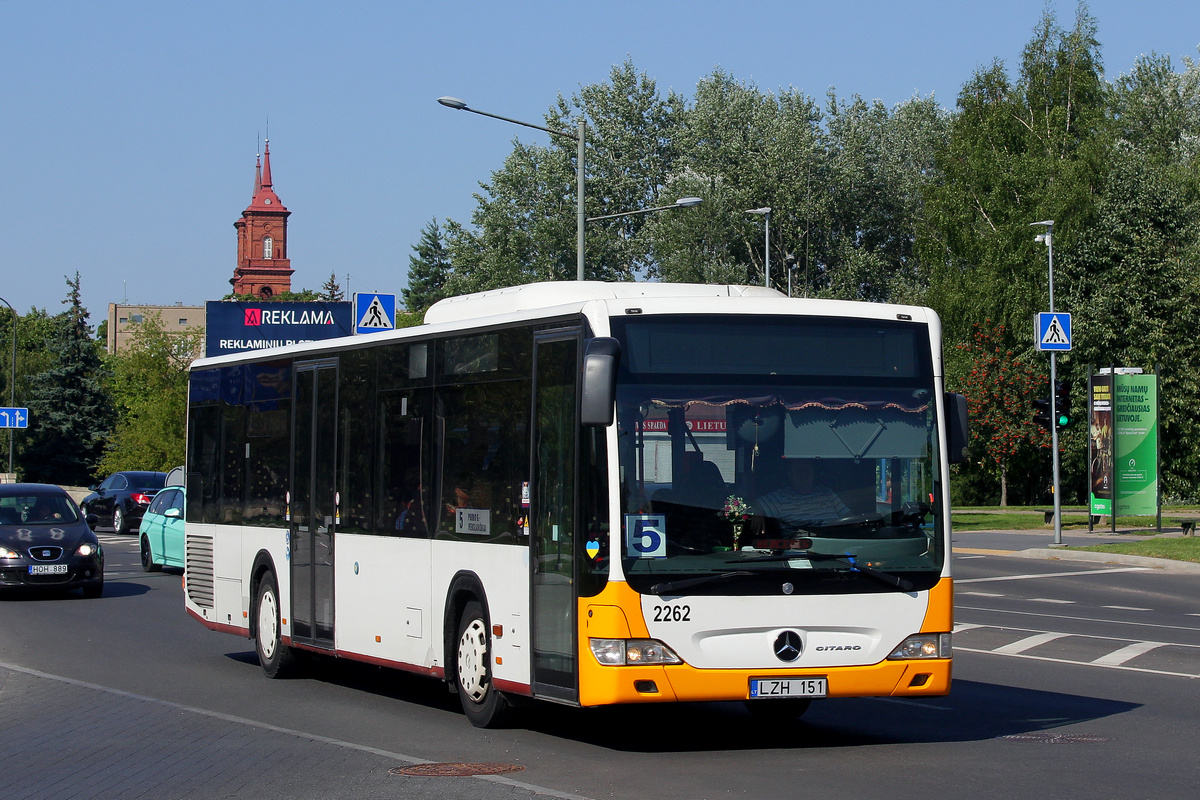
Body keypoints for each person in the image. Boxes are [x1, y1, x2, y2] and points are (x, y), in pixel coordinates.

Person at [754, 459, 850, 535]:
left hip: (835, 546)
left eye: (807, 470)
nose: (804, 474)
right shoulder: (781, 497)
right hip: (799, 550)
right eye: (798, 471)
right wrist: (758, 515)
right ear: (790, 475)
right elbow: (755, 506)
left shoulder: (826, 493)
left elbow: (848, 517)